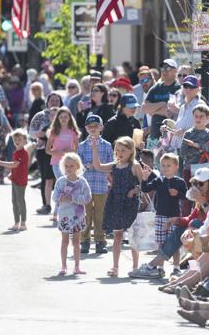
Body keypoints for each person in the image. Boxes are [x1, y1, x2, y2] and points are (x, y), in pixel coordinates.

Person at [129, 167, 209, 282]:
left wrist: (202, 202)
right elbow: (191, 218)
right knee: (183, 227)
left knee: (193, 228)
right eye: (195, 183)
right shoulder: (201, 199)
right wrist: (176, 220)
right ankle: (159, 267)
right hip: (200, 236)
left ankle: (155, 266)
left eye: (200, 183)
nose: (197, 187)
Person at [92, 136, 144, 277]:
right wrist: (95, 150)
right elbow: (98, 166)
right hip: (115, 202)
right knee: (117, 236)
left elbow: (142, 185)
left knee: (133, 236)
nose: (120, 153)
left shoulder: (135, 165)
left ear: (131, 151)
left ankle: (135, 266)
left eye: (123, 150)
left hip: (130, 204)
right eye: (118, 150)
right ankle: (115, 267)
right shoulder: (115, 165)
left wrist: (134, 191)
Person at [131, 153, 188, 278]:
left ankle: (176, 267)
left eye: (169, 165)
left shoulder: (180, 182)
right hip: (160, 216)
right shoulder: (159, 180)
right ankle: (160, 268)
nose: (165, 168)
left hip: (174, 217)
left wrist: (177, 193)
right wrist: (144, 178)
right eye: (163, 165)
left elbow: (186, 196)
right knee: (161, 243)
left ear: (176, 167)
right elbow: (146, 189)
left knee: (174, 243)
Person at [52, 153, 92, 276]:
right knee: (64, 241)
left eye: (71, 166)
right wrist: (61, 197)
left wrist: (74, 198)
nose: (69, 168)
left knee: (76, 242)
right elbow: (54, 197)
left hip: (78, 216)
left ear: (77, 166)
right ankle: (63, 266)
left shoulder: (82, 182)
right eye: (67, 166)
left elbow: (88, 197)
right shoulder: (60, 181)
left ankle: (77, 266)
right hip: (64, 215)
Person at [77, 115, 112, 254]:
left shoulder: (107, 145)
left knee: (100, 214)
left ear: (101, 127)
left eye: (95, 126)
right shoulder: (81, 146)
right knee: (85, 214)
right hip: (85, 186)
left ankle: (100, 241)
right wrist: (87, 165)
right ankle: (84, 240)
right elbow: (78, 165)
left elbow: (111, 164)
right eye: (89, 126)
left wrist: (100, 166)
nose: (92, 128)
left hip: (101, 185)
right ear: (85, 128)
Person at [29, 93, 63, 214]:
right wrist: (41, 134)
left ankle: (61, 206)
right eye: (52, 100)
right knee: (46, 178)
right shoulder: (40, 115)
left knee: (61, 179)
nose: (54, 102)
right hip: (43, 150)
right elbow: (31, 131)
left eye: (57, 100)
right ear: (47, 102)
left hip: (61, 151)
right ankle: (46, 205)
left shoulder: (64, 115)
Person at [0, 129, 33, 231]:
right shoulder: (16, 152)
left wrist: (1, 162)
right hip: (15, 179)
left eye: (19, 139)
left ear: (25, 141)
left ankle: (23, 223)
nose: (17, 141)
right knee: (14, 202)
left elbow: (15, 164)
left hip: (21, 181)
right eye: (15, 139)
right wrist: (12, 173)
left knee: (20, 201)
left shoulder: (23, 153)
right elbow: (17, 167)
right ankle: (16, 223)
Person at [141, 59, 180, 148]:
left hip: (171, 137)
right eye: (163, 67)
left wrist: (153, 111)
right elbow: (144, 108)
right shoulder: (155, 88)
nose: (164, 70)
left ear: (175, 71)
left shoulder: (178, 88)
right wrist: (162, 104)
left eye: (168, 68)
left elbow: (172, 111)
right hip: (155, 135)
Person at [180, 104, 209, 181]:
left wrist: (195, 145)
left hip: (206, 169)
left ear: (207, 117)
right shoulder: (188, 133)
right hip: (189, 169)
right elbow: (183, 153)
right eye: (196, 116)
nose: (198, 118)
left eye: (201, 116)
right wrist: (202, 149)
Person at [46, 106, 80, 179]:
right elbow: (47, 150)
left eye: (65, 117)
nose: (63, 119)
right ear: (58, 118)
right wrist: (58, 153)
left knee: (69, 184)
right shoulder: (54, 131)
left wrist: (69, 151)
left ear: (69, 118)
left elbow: (78, 149)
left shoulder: (73, 132)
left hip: (69, 163)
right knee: (61, 184)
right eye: (61, 117)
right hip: (56, 163)